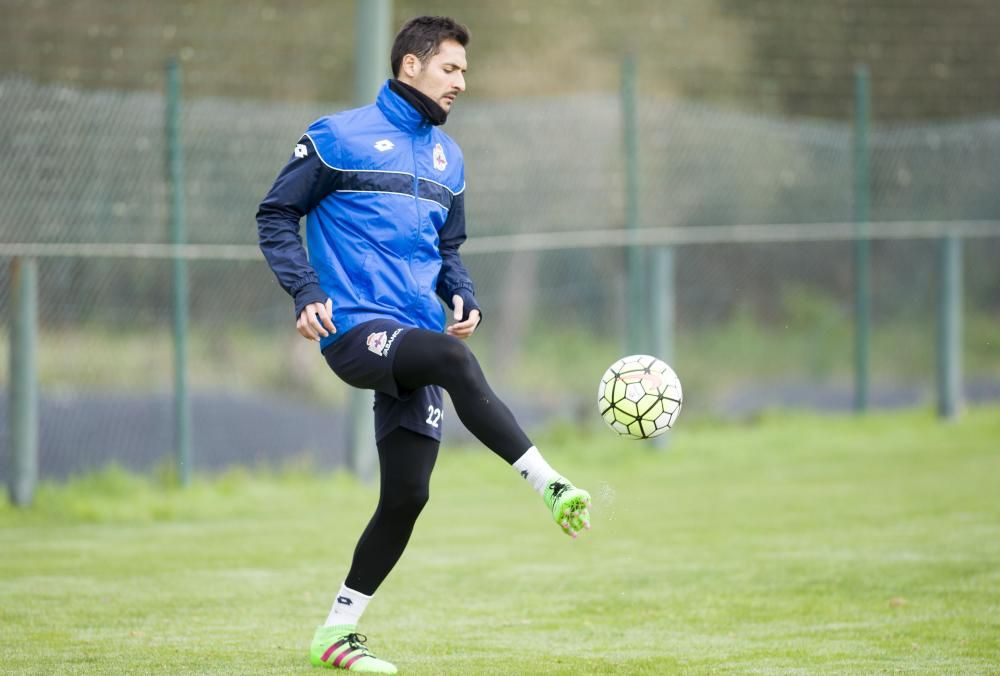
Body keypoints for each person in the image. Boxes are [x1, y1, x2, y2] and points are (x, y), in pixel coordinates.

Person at [256, 16, 591, 673]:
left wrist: (462, 294)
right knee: (453, 359)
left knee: (408, 495)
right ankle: (550, 485)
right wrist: (305, 291)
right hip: (354, 328)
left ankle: (336, 632)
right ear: (411, 65)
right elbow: (275, 212)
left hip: (416, 336)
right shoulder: (337, 137)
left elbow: (448, 249)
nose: (462, 82)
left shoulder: (449, 158)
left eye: (465, 71)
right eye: (451, 68)